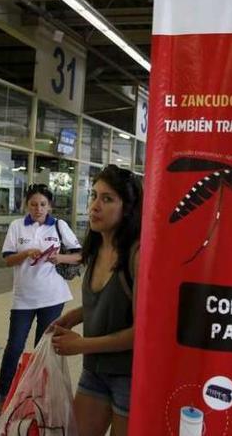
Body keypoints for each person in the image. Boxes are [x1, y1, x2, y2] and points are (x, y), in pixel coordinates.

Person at [50, 165, 142, 436]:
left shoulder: (137, 255)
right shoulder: (97, 246)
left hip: (129, 376)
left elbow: (142, 333)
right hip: (95, 371)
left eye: (107, 198)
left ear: (127, 208)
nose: (94, 206)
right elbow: (111, 301)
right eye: (94, 196)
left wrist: (81, 345)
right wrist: (76, 315)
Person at [0, 184, 82, 412]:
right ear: (27, 205)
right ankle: (4, 394)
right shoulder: (17, 226)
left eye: (43, 204)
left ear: (50, 206)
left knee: (42, 348)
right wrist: (25, 253)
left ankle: (37, 396)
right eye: (33, 204)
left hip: (53, 296)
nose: (38, 208)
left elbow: (80, 256)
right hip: (23, 297)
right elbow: (7, 260)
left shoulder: (59, 226)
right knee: (14, 346)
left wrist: (59, 257)